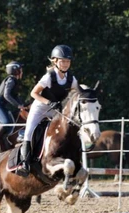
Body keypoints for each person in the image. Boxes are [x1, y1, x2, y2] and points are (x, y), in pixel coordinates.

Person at [16, 45, 79, 177]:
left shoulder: (71, 79)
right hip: (40, 108)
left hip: (56, 110)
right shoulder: (49, 77)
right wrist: (48, 102)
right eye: (63, 61)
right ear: (55, 61)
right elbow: (33, 93)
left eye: (68, 61)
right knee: (29, 132)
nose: (66, 64)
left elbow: (76, 94)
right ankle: (24, 163)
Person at [0, 61, 25, 153]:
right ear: (15, 70)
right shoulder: (11, 80)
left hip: (1, 105)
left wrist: (23, 106)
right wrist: (18, 105)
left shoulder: (14, 81)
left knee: (11, 123)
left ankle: (5, 141)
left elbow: (15, 97)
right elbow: (7, 95)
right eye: (20, 69)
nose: (22, 71)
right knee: (6, 122)